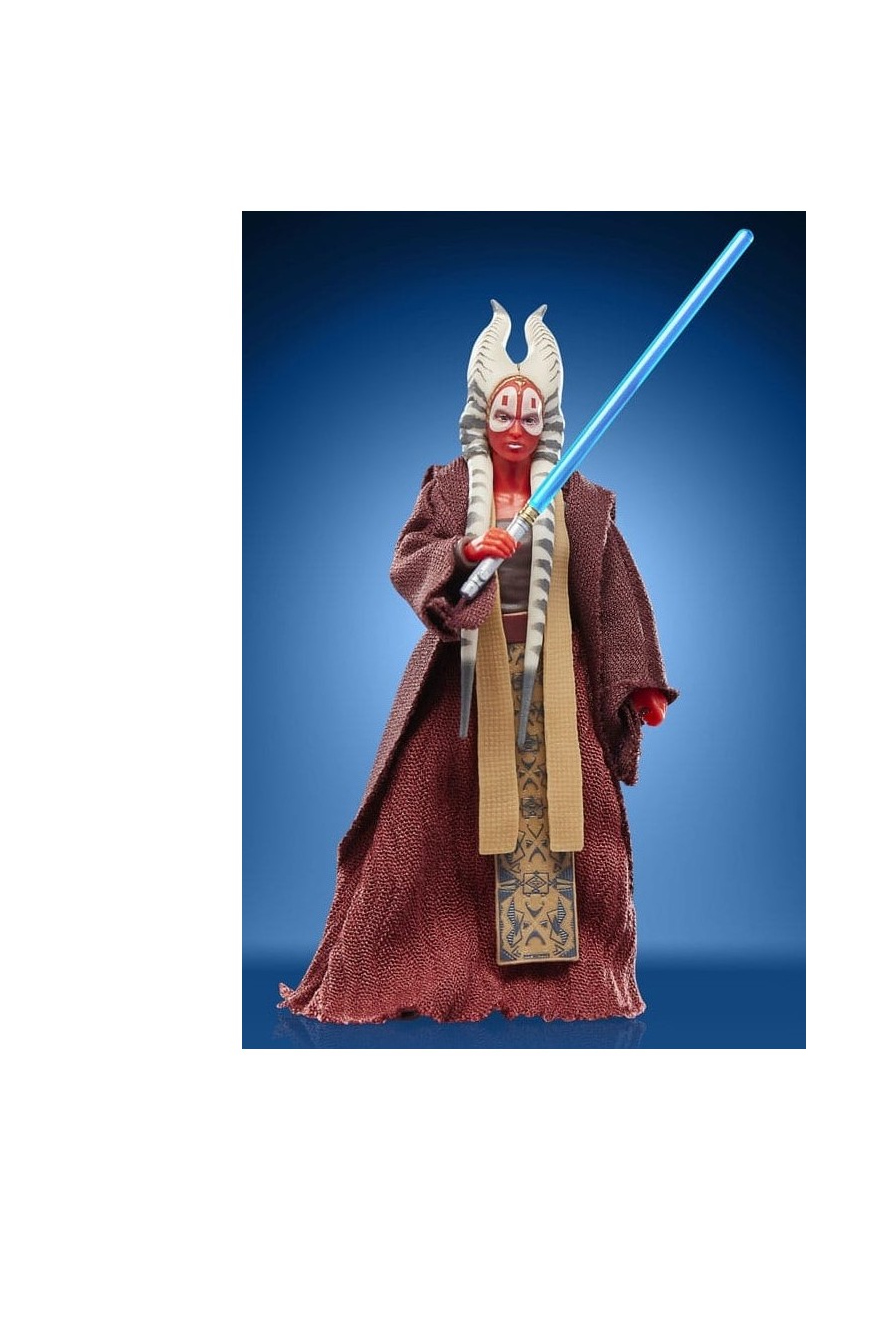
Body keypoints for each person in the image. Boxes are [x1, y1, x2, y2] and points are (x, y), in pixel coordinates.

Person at [279, 302, 675, 1024]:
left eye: (530, 415)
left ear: (547, 421)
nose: (516, 427)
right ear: (482, 417)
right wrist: (464, 552)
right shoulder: (451, 488)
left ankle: (566, 979)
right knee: (427, 825)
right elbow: (409, 557)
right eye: (504, 413)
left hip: (558, 684)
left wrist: (637, 682)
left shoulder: (580, 503)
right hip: (464, 677)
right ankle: (422, 961)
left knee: (581, 826)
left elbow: (615, 591)